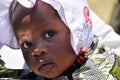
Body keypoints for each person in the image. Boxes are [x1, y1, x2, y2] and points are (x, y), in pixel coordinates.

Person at [6, 0, 120, 79]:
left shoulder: (102, 71)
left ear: (77, 31)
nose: (36, 50)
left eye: (48, 34)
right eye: (26, 44)